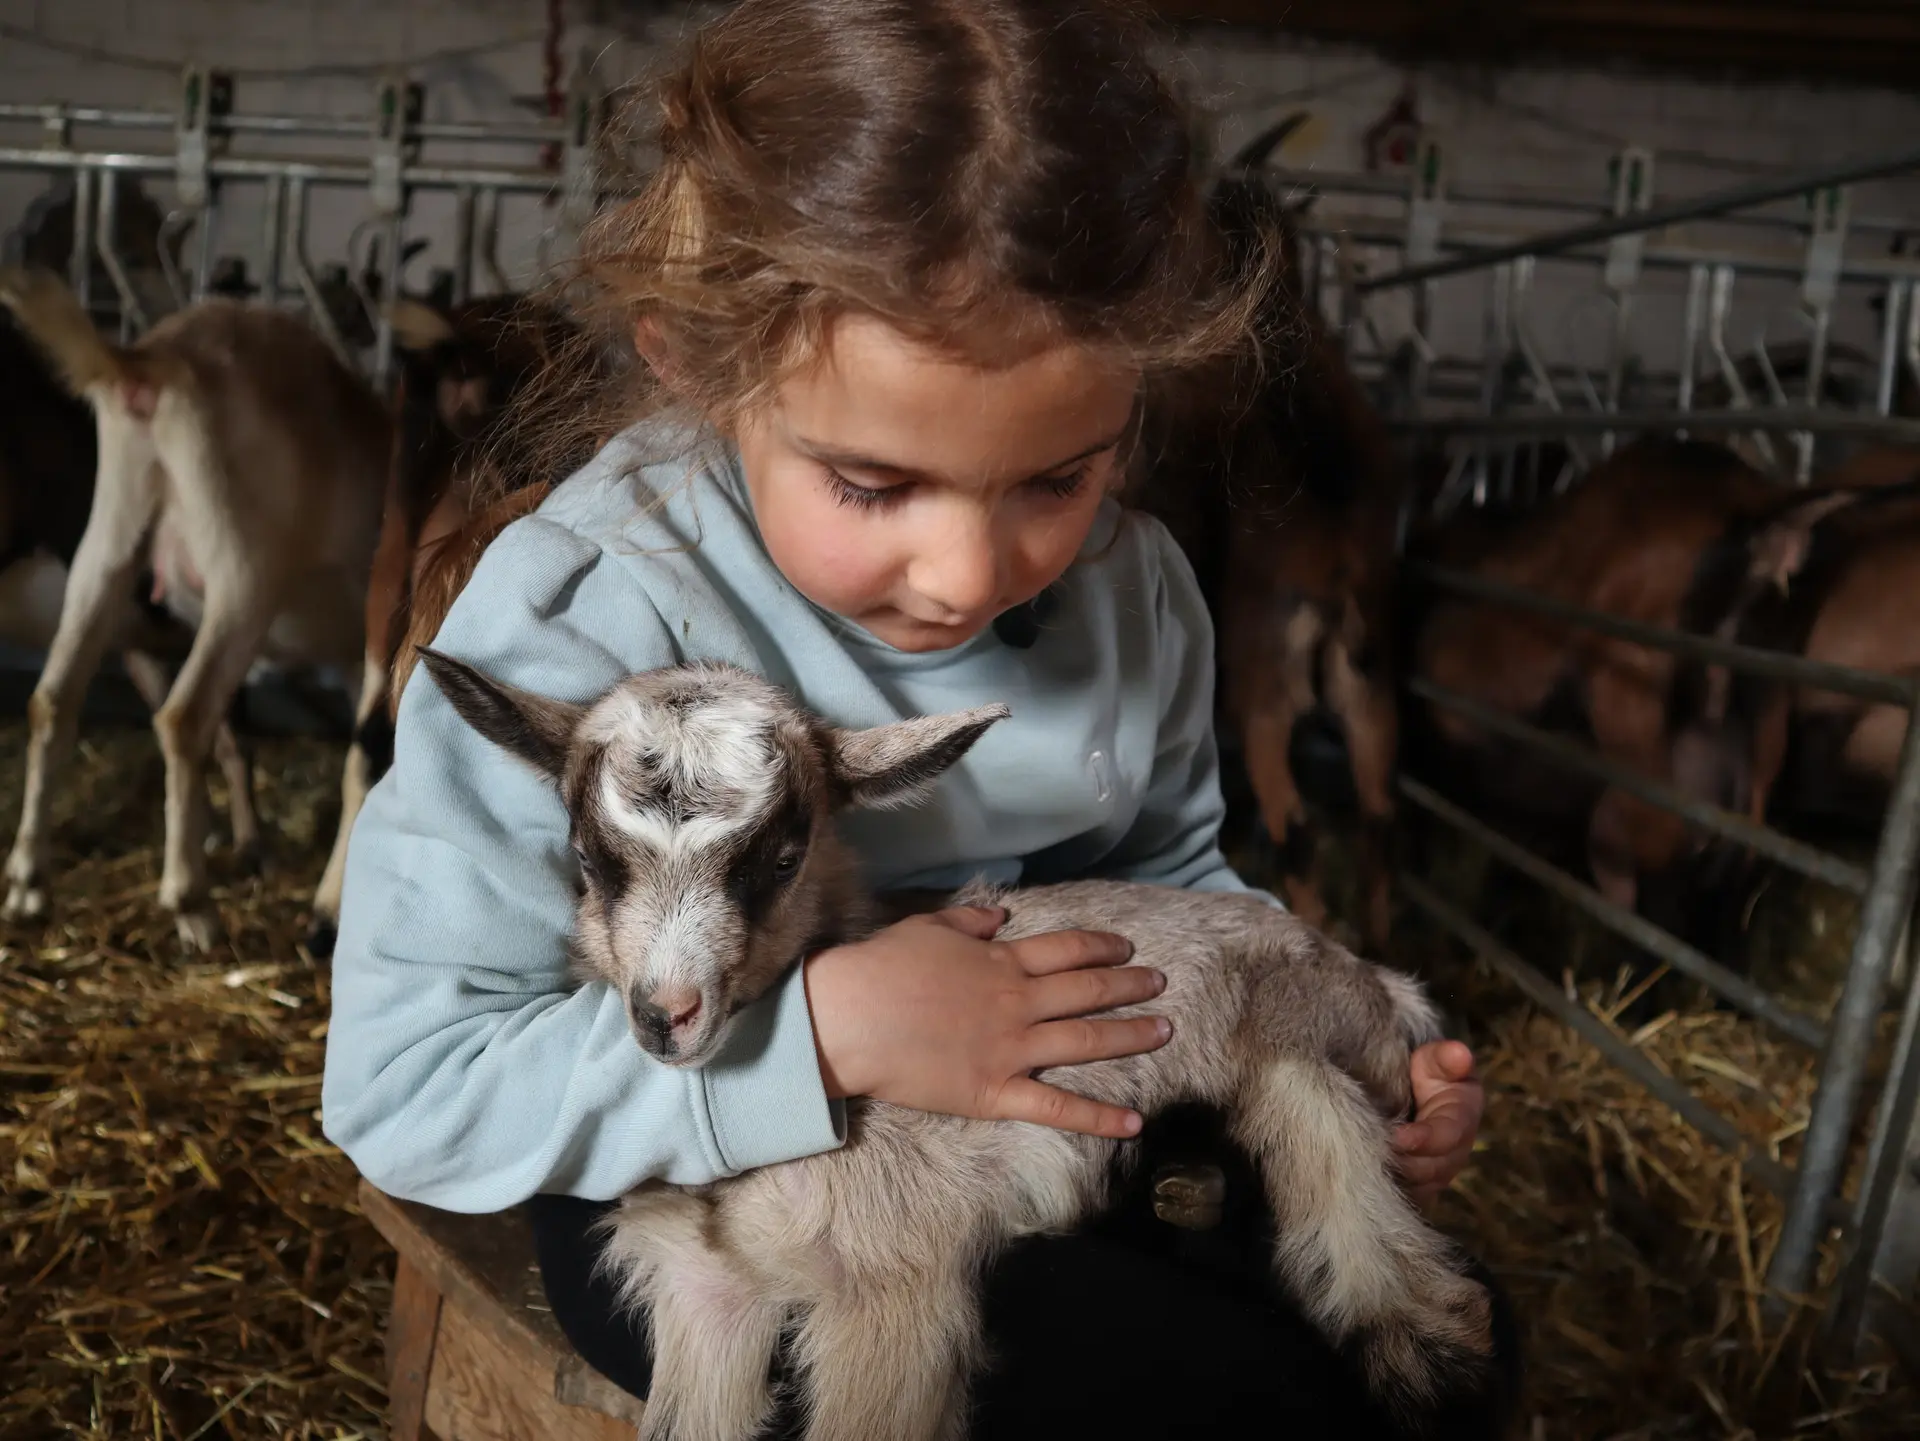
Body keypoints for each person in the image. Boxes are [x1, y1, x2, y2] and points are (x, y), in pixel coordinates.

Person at [322, 1, 1508, 1435]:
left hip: (1059, 1130)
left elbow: (1177, 882)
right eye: (874, 488)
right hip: (721, 1169)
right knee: (1220, 1386)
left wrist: (1347, 1056)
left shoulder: (1138, 599)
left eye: (1057, 479)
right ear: (703, 368)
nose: (968, 575)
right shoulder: (589, 617)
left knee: (1449, 1345)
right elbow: (409, 1089)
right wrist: (825, 1032)